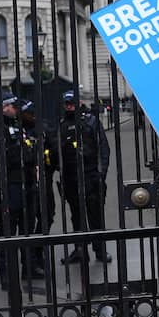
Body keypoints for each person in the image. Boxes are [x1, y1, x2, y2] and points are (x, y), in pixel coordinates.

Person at [0, 91, 42, 288]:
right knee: (8, 231)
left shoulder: (18, 124)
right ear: (4, 107)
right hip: (8, 185)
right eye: (13, 106)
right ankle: (6, 275)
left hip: (27, 182)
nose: (16, 109)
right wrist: (1, 142)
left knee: (27, 229)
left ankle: (29, 268)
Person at [58, 90, 111, 264]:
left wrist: (101, 174)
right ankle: (80, 250)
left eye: (72, 103)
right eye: (67, 104)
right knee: (76, 216)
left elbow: (103, 149)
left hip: (91, 175)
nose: (69, 106)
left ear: (79, 103)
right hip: (71, 179)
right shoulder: (62, 125)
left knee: (95, 215)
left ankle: (100, 250)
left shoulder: (91, 121)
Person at [19, 99, 58, 274]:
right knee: (27, 223)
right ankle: (29, 263)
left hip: (44, 179)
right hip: (26, 182)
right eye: (29, 113)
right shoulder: (18, 130)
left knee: (47, 216)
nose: (32, 116)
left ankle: (38, 252)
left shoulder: (43, 128)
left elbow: (54, 150)